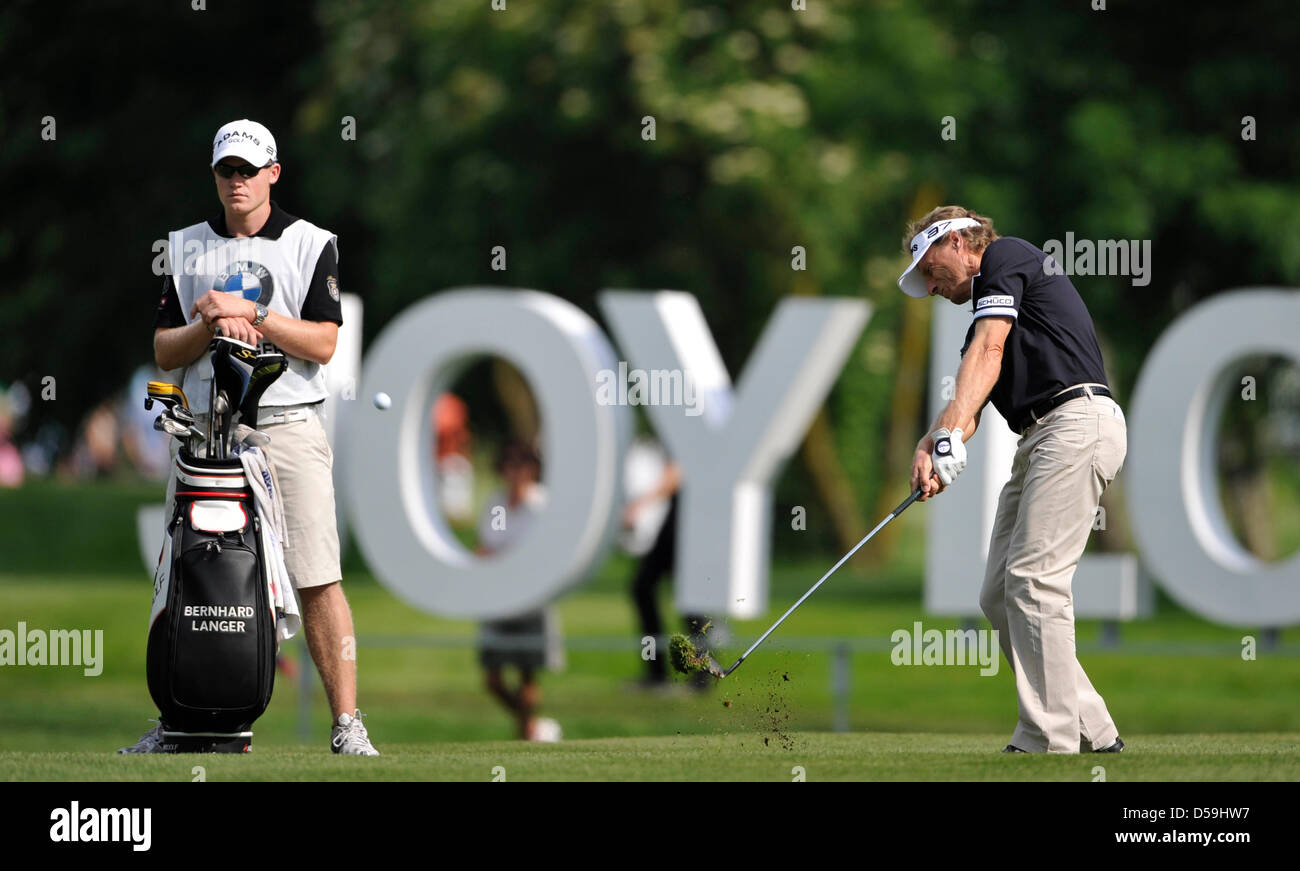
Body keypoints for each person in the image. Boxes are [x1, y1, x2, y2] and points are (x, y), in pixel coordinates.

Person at [120, 119, 377, 755]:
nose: (236, 181)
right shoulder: (184, 248)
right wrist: (211, 322)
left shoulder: (311, 243)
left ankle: (347, 726)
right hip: (205, 431)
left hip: (286, 424)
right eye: (225, 171)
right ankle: (184, 723)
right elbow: (163, 351)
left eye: (247, 170)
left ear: (273, 174)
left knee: (317, 574)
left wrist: (253, 314)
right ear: (214, 176)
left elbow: (324, 340)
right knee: (189, 574)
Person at [899, 205, 1126, 755]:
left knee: (1033, 579)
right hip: (1041, 439)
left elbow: (991, 349)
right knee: (1000, 591)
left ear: (957, 243)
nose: (930, 287)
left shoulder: (1006, 256)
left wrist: (950, 431)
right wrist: (934, 442)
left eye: (930, 270)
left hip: (1076, 422)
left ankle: (1048, 740)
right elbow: (973, 392)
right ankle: (1091, 730)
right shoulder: (986, 306)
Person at [476, 440, 564, 741]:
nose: (515, 471)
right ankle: (531, 727)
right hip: (497, 600)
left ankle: (525, 734)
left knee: (528, 672)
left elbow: (545, 552)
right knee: (493, 679)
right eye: (509, 464)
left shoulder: (542, 504)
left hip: (531, 600)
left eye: (521, 464)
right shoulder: (494, 503)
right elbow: (484, 548)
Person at [623, 461, 716, 690]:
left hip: (686, 519)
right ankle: (663, 672)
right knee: (646, 589)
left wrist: (641, 503)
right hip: (680, 516)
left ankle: (699, 673)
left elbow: (678, 469)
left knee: (685, 599)